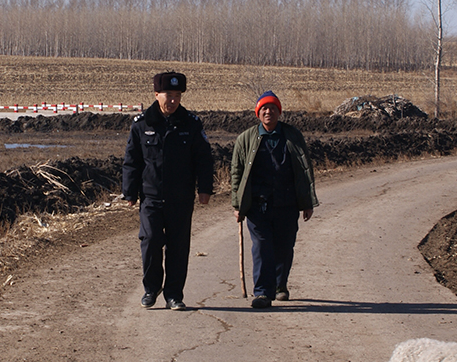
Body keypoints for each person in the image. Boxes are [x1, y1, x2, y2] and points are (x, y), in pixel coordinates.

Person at [122, 71, 214, 311]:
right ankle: (151, 289)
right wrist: (129, 192)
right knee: (150, 241)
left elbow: (203, 159)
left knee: (178, 246)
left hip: (181, 198)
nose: (172, 100)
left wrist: (205, 189)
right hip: (151, 197)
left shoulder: (191, 124)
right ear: (156, 95)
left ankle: (174, 294)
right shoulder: (142, 124)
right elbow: (132, 161)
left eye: (176, 95)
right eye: (167, 95)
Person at [230, 90, 318, 309]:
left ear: (279, 112)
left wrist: (306, 202)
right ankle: (261, 293)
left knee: (284, 248)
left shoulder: (292, 136)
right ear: (258, 113)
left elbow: (304, 168)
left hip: (287, 203)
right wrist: (237, 204)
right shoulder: (246, 138)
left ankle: (280, 286)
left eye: (272, 108)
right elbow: (236, 172)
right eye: (264, 108)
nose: (268, 111)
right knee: (261, 247)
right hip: (258, 205)